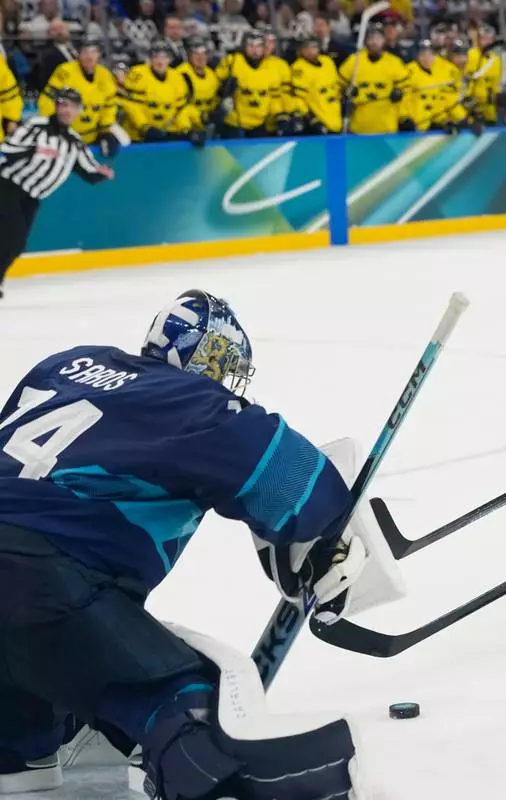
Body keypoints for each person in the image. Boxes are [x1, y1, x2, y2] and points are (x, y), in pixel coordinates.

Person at [0, 290, 370, 797]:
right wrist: (330, 539)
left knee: (36, 703)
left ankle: (19, 747)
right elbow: (296, 484)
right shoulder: (190, 402)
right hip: (35, 581)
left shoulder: (68, 365)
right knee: (189, 708)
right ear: (213, 359)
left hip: (30, 601)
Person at [0, 89, 113, 297]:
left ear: (78, 111)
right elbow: (7, 149)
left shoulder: (74, 142)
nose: (66, 110)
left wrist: (103, 173)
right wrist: (32, 151)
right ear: (56, 106)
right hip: (7, 186)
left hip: (32, 198)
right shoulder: (37, 126)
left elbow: (88, 171)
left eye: (71, 106)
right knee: (11, 236)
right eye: (62, 105)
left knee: (17, 244)